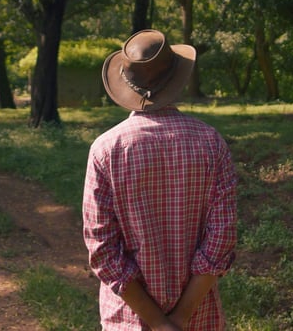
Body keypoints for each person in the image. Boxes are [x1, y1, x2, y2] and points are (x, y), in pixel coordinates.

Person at [82, 29, 237, 331]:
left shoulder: (105, 150)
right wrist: (179, 319)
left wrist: (158, 323)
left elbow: (102, 251)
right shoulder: (211, 143)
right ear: (177, 80)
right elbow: (221, 240)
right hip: (199, 317)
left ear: (128, 87)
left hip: (129, 320)